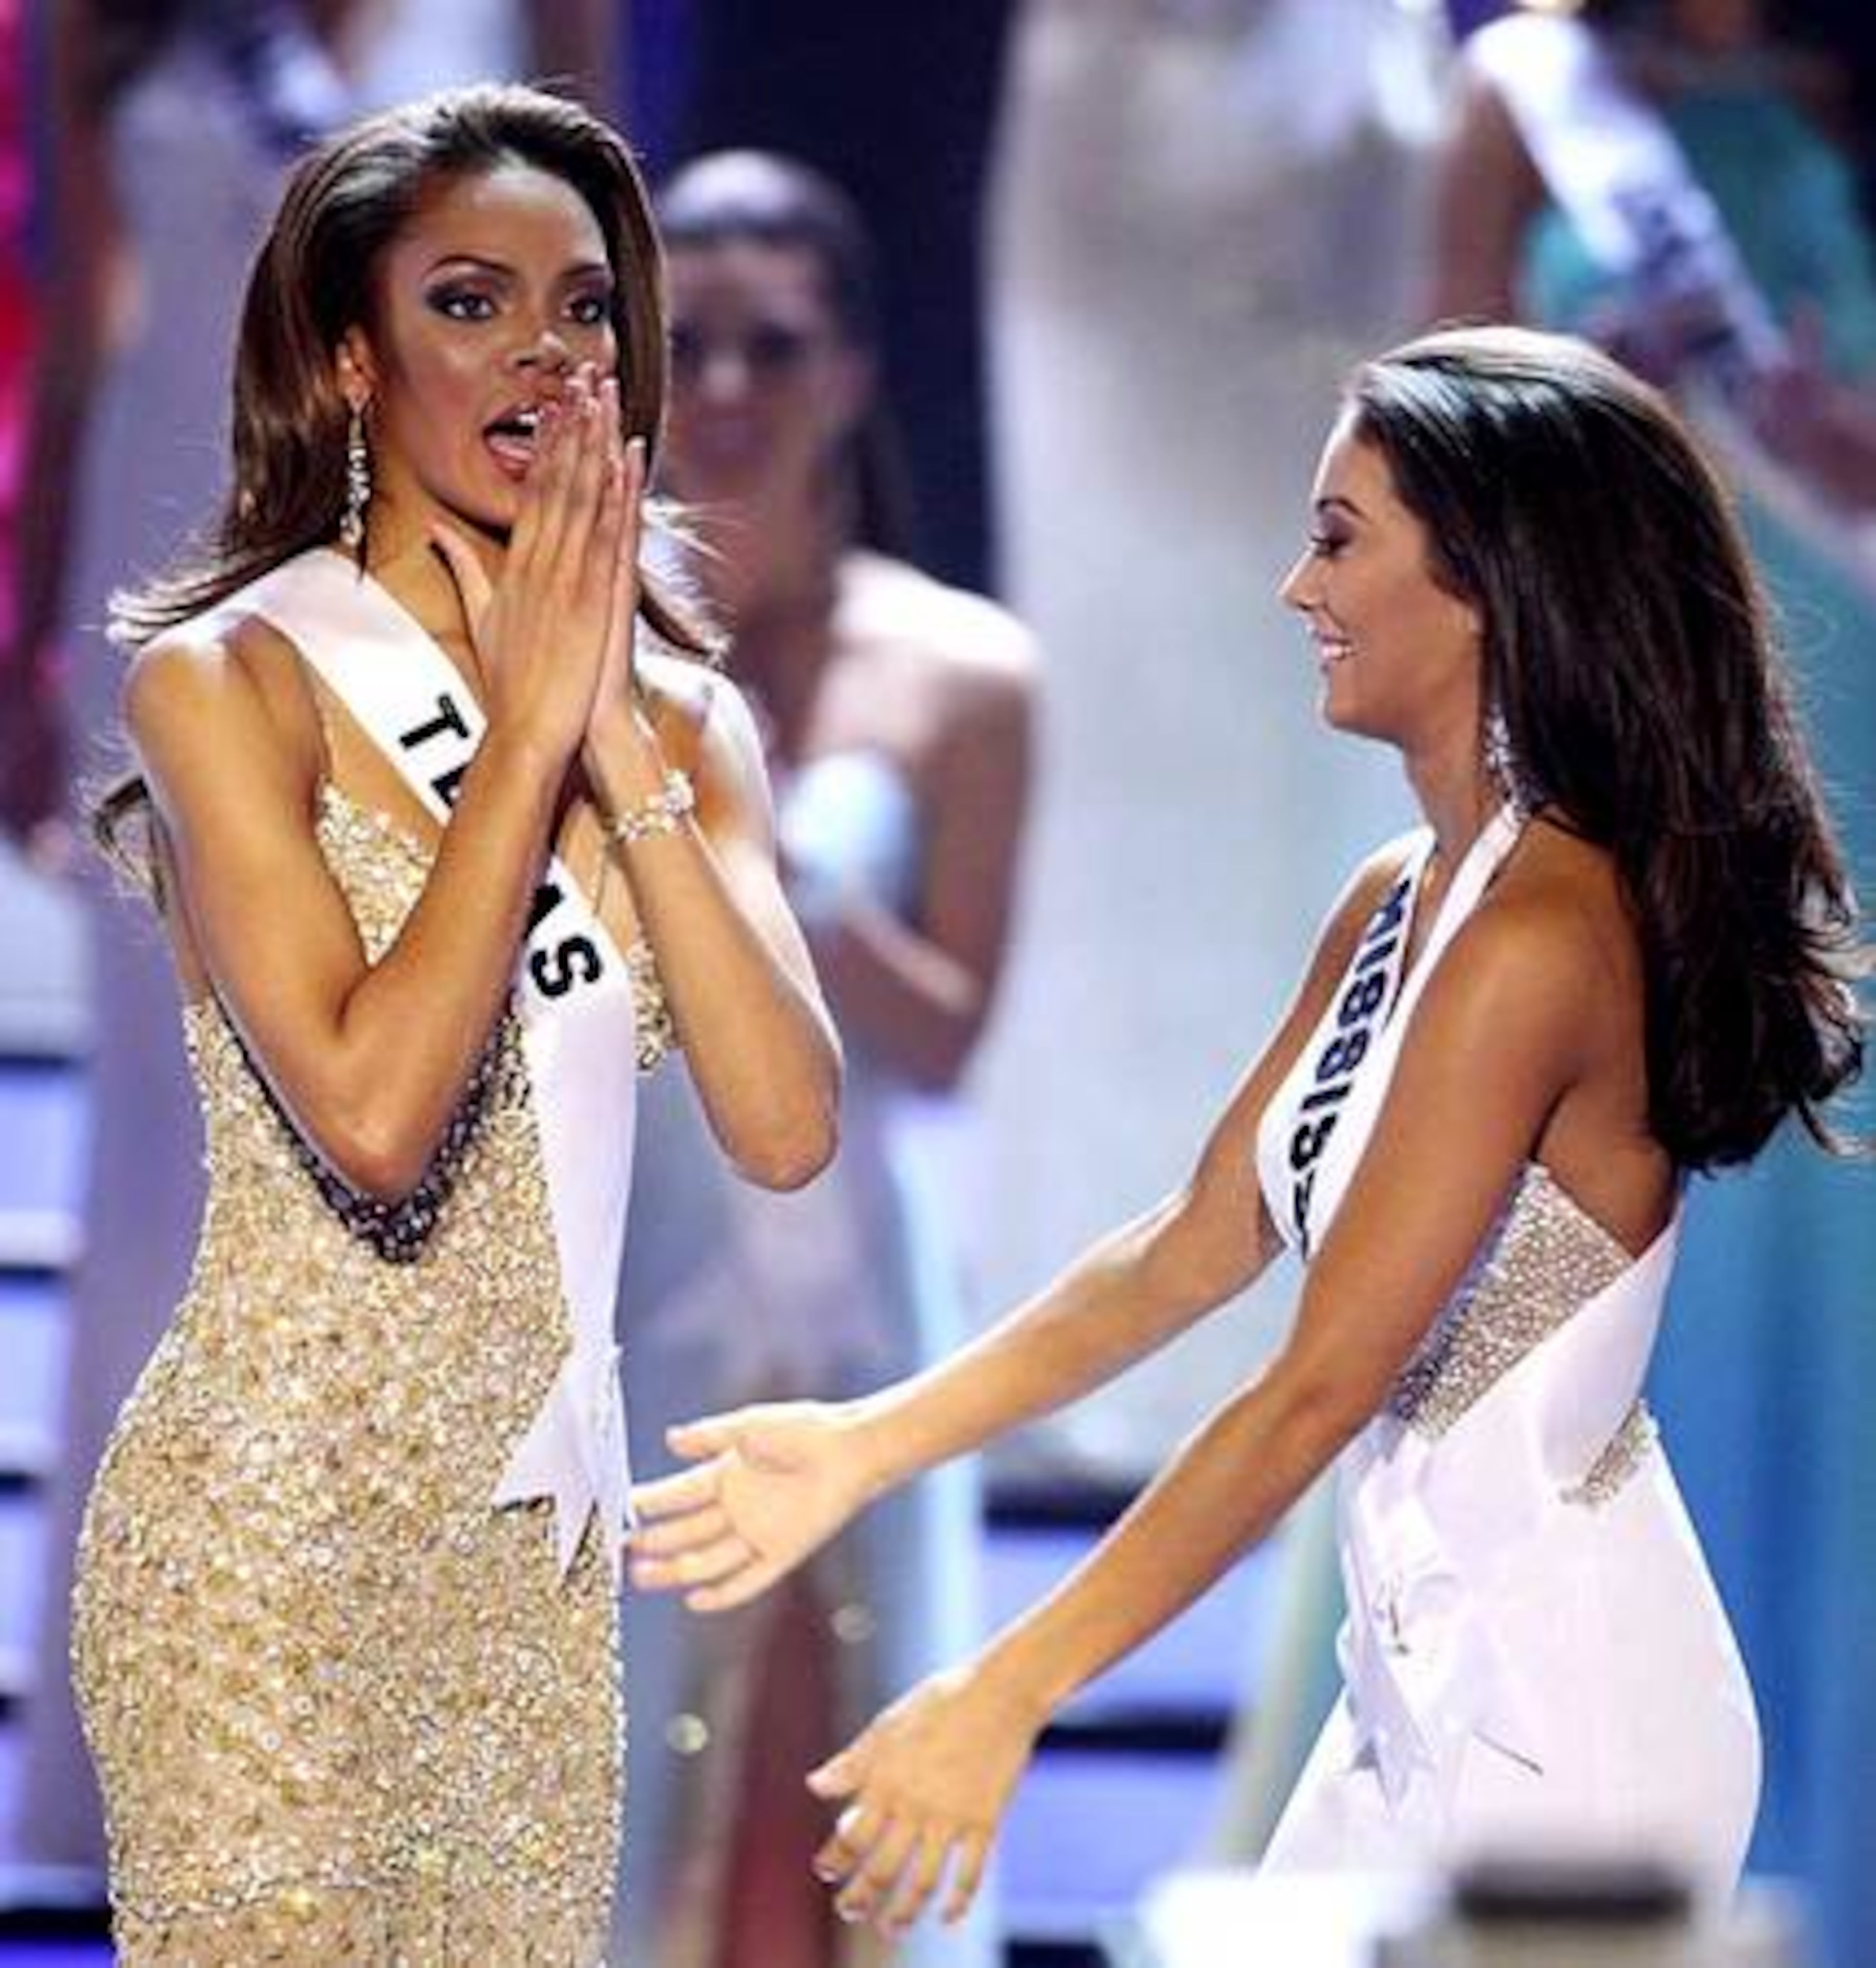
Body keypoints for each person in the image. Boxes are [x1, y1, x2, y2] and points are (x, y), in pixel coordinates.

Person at [632, 325, 1866, 1933]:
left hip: (1569, 1711)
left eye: (1341, 538)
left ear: (1487, 576)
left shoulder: (1544, 937)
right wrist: (872, 1440)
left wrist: (1007, 1691)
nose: (1300, 588)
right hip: (1411, 1687)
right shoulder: (1401, 900)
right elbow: (1186, 1247)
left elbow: (1311, 1395)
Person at [65, 82, 840, 1959]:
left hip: (530, 1567)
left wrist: (612, 740)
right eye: (470, 302)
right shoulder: (232, 678)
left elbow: (785, 1126)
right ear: (351, 359)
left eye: (585, 309)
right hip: (268, 1547)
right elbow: (380, 1115)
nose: (544, 352)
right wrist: (521, 735)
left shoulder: (684, 727)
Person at [0, 0, 618, 1877]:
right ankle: (188, 1733)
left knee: (447, 1126)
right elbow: (93, 319)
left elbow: (593, 321)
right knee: (193, 1149)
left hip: (439, 607)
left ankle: (419, 1726)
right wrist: (28, 614)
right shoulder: (121, 27)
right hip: (180, 588)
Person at [1429, 5, 1876, 1951]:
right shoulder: (1528, 99)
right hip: (1637, 745)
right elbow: (1429, 480)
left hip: (1849, 727)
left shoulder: (1835, 87)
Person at [613, 150, 1031, 1968]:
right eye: (682, 345)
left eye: (770, 347)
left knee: (860, 1770)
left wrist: (775, 871)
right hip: (642, 1256)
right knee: (646, 1765)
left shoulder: (962, 671)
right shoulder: (573, 647)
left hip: (868, 1256)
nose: (723, 393)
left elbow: (950, 1032)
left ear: (852, 370)